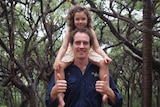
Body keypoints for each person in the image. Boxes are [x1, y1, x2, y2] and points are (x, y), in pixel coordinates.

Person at [46, 28, 122, 107]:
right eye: (78, 43)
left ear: (90, 46)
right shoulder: (62, 70)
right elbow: (49, 103)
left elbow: (118, 103)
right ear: (71, 45)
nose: (81, 46)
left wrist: (108, 92)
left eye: (85, 43)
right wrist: (54, 93)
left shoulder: (99, 70)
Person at [53, 4, 112, 106]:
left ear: (87, 20)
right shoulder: (70, 31)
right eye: (77, 19)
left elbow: (97, 48)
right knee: (59, 67)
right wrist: (57, 60)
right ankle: (60, 96)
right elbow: (63, 47)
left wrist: (105, 56)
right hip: (72, 52)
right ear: (73, 20)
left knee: (103, 63)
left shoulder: (90, 31)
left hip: (89, 52)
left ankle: (105, 93)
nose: (80, 22)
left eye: (83, 19)